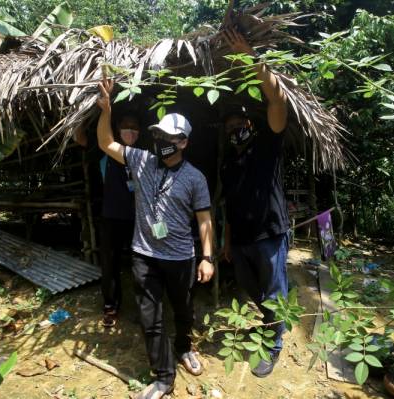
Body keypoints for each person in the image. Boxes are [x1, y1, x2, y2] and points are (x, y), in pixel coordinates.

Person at [95, 76, 215, 399]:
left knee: (183, 310)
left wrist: (206, 257)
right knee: (151, 316)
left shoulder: (195, 178)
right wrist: (106, 111)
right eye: (159, 134)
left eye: (171, 137)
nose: (162, 140)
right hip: (144, 254)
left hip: (180, 258)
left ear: (184, 142)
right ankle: (163, 377)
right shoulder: (142, 160)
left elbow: (204, 220)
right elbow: (107, 144)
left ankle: (184, 347)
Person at [220, 27, 291, 378]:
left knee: (275, 291)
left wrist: (252, 60)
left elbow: (277, 102)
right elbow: (229, 205)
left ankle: (274, 344)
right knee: (253, 290)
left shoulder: (267, 147)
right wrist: (227, 241)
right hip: (243, 241)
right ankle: (270, 324)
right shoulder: (229, 164)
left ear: (250, 124)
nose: (236, 130)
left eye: (240, 124)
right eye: (230, 126)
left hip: (270, 236)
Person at [75, 111, 141, 327]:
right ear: (117, 127)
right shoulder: (105, 148)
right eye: (126, 125)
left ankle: (144, 308)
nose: (130, 130)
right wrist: (79, 114)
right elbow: (80, 138)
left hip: (138, 219)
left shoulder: (142, 154)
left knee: (141, 263)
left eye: (134, 126)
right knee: (109, 264)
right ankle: (111, 306)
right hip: (111, 217)